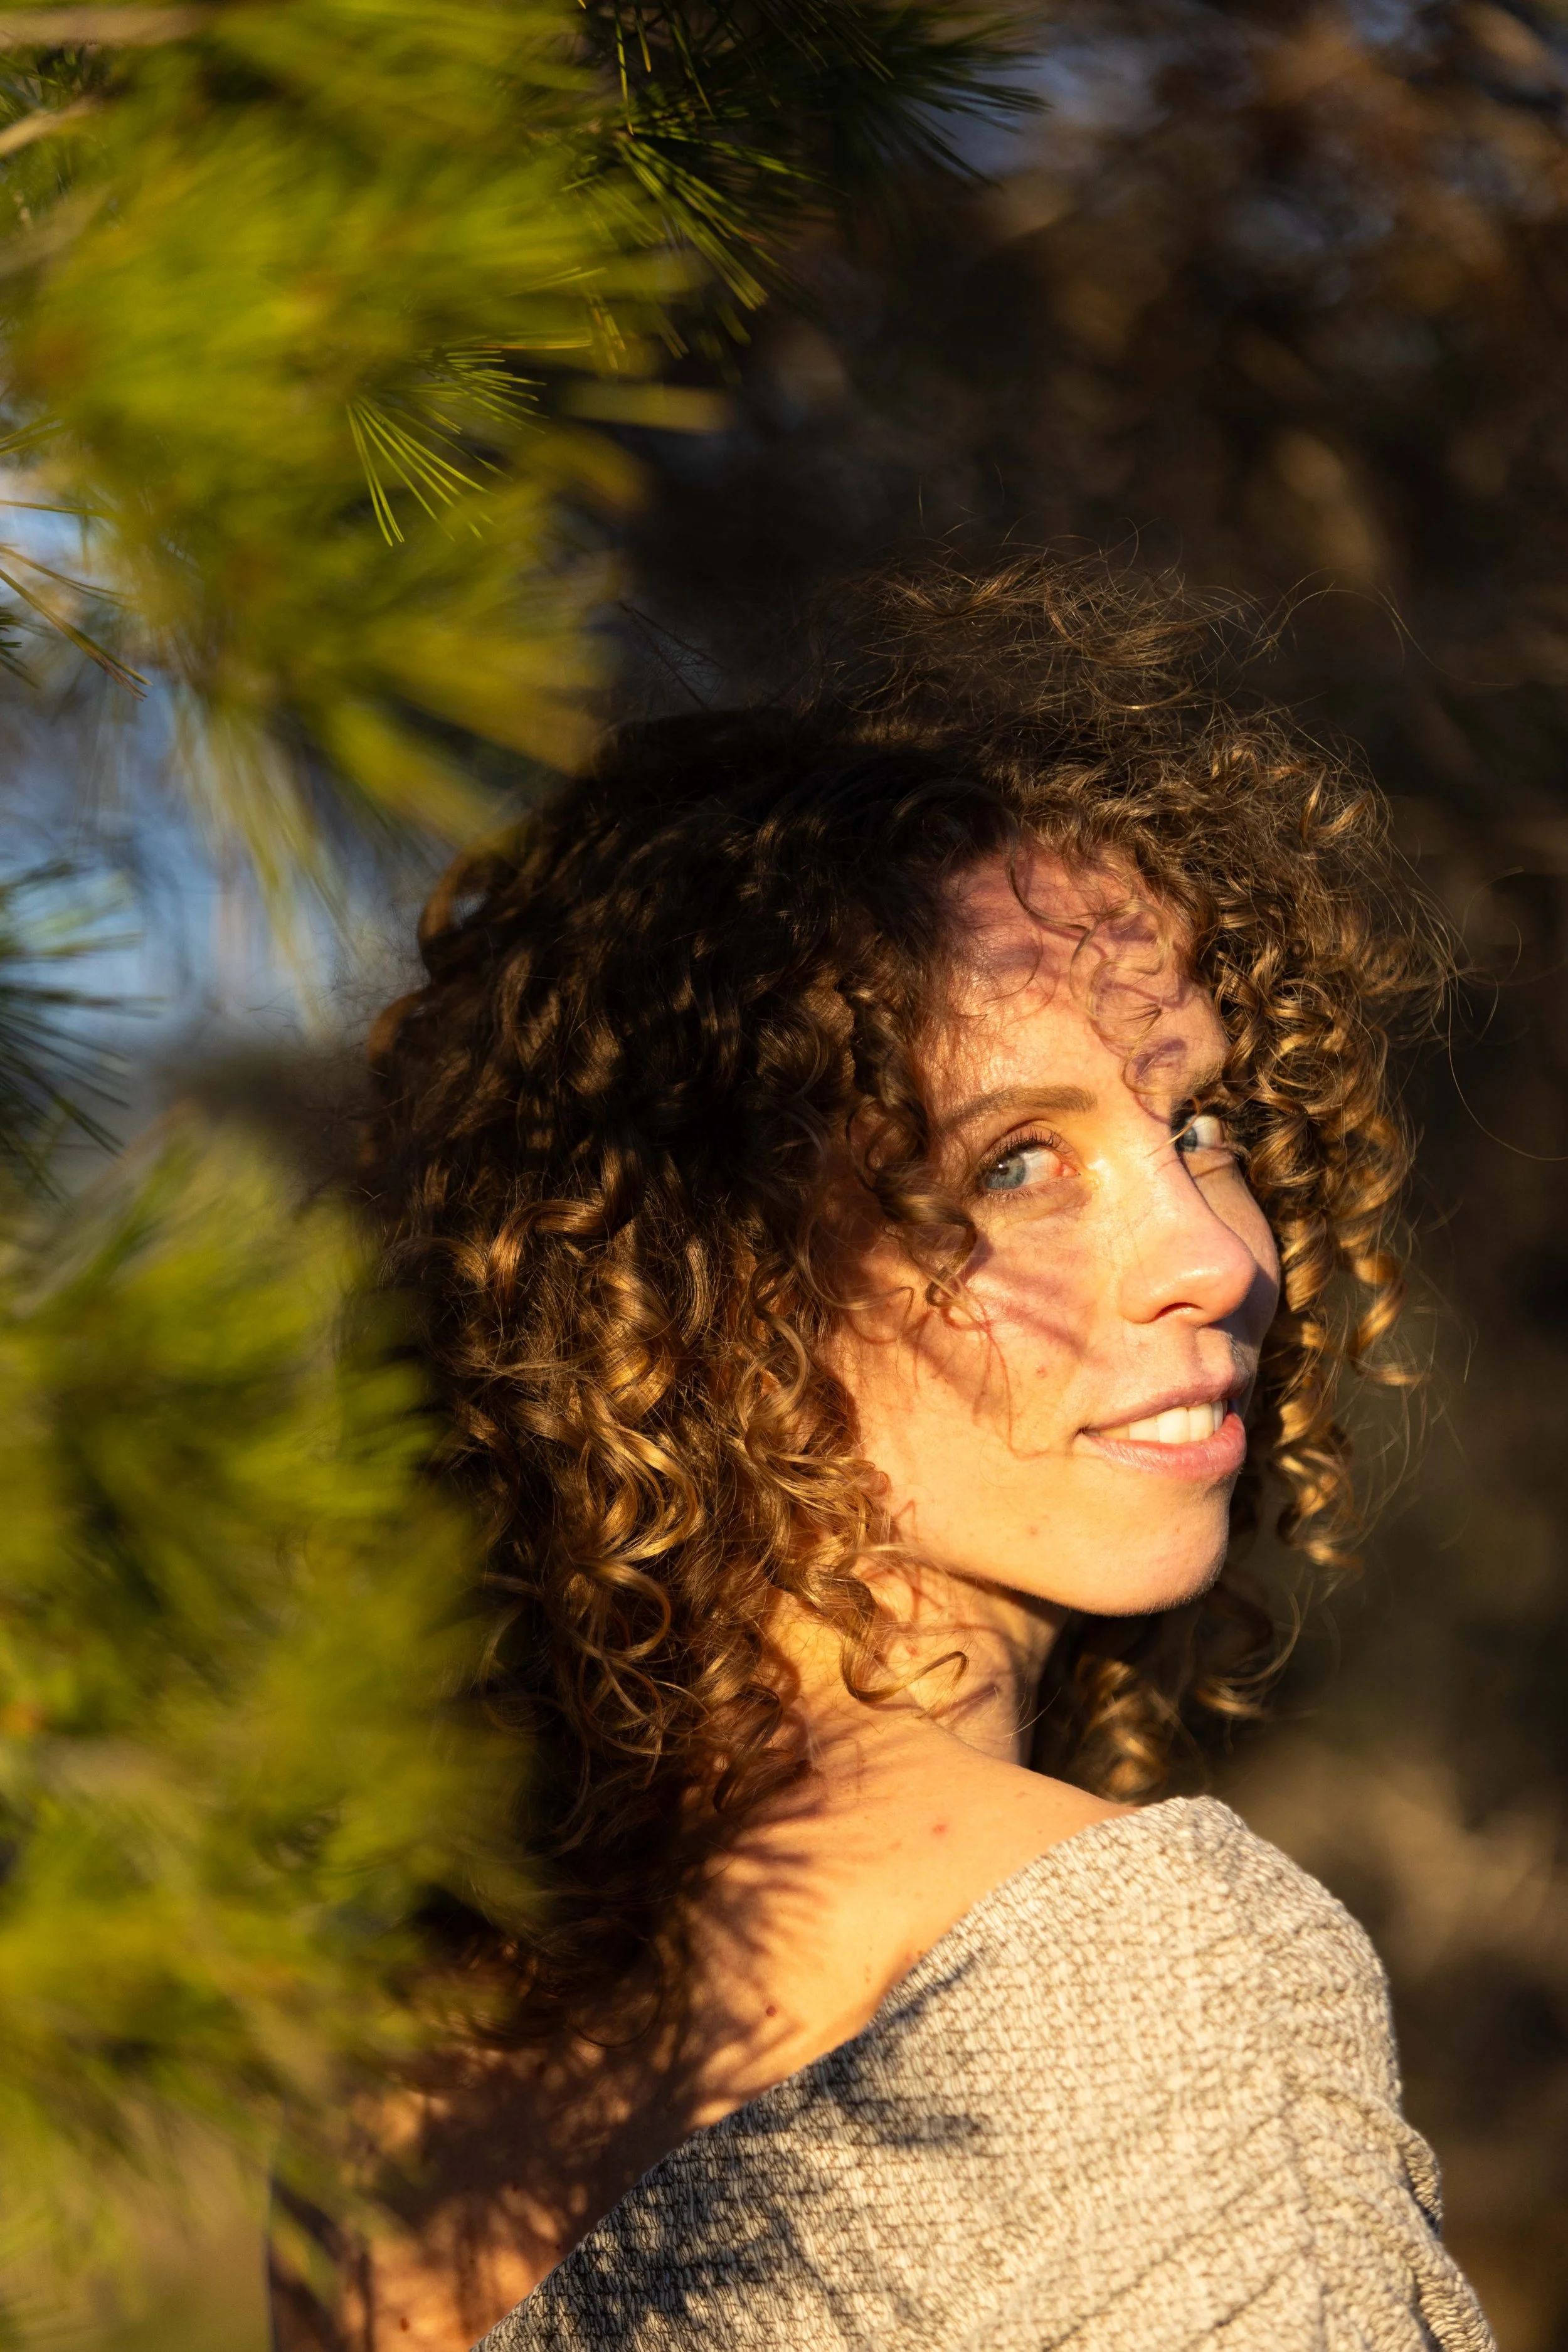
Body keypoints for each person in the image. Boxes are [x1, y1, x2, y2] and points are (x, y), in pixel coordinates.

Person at [270, 559, 1493, 2351]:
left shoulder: (388, 2094)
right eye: (1013, 1163)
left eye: (1199, 1124)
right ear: (695, 1296)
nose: (1216, 1256)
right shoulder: (1145, 1964)